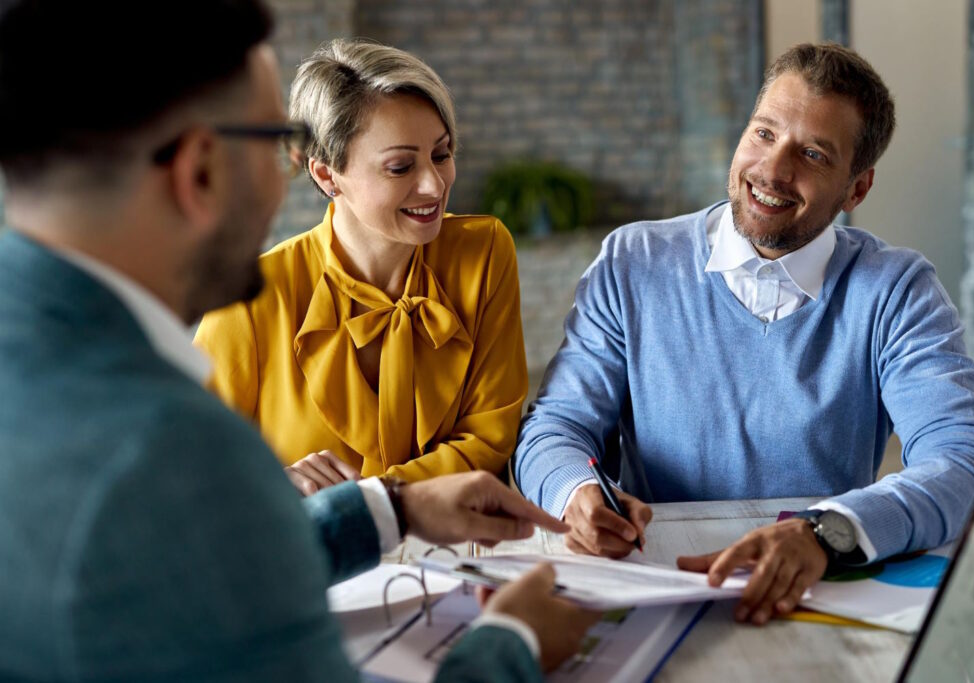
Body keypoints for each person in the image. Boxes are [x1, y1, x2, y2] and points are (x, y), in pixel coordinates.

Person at [0, 2, 596, 680]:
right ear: (201, 170)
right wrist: (514, 640)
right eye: (271, 139)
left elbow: (204, 575)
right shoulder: (174, 447)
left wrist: (389, 507)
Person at [514, 43, 974, 625]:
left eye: (814, 154)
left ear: (857, 189)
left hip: (810, 594)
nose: (772, 170)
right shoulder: (633, 261)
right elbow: (554, 426)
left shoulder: (897, 291)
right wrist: (575, 493)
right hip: (652, 584)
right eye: (764, 133)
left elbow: (968, 461)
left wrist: (828, 534)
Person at [195, 39, 527, 495]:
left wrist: (365, 501)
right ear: (327, 175)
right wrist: (273, 485)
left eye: (442, 154)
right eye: (400, 167)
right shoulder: (247, 298)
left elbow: (491, 437)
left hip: (456, 557)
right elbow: (189, 473)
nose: (434, 184)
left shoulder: (484, 252)